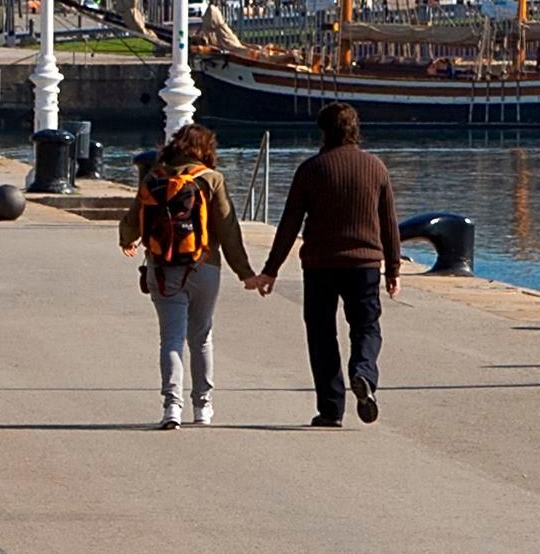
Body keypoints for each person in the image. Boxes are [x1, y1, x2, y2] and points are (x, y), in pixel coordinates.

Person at [258, 104, 406, 427]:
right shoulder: (376, 168)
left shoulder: (311, 169)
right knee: (366, 326)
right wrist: (392, 269)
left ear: (323, 131)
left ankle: (330, 409)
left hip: (319, 265)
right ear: (355, 130)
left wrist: (271, 269)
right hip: (365, 265)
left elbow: (289, 224)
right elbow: (389, 223)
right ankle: (363, 372)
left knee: (322, 334)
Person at [131, 123, 271, 427]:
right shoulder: (211, 179)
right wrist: (246, 274)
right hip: (205, 267)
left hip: (163, 268)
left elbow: (132, 221)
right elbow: (228, 229)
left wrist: (125, 240)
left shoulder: (155, 177)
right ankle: (203, 407)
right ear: (207, 150)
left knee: (171, 337)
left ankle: (172, 407)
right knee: (202, 335)